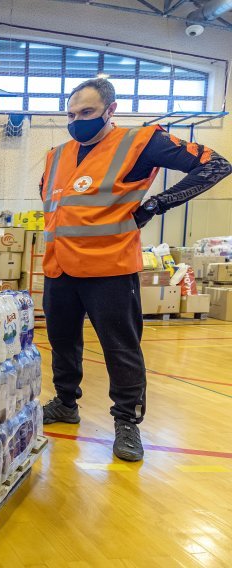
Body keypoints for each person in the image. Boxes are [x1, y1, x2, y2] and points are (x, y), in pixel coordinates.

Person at [39, 78, 230, 462]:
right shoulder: (56, 154)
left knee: (120, 348)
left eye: (87, 113)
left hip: (109, 267)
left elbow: (216, 165)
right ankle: (65, 403)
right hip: (59, 267)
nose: (77, 121)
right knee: (62, 341)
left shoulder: (140, 142)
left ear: (111, 110)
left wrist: (158, 204)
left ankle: (127, 422)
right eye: (72, 114)